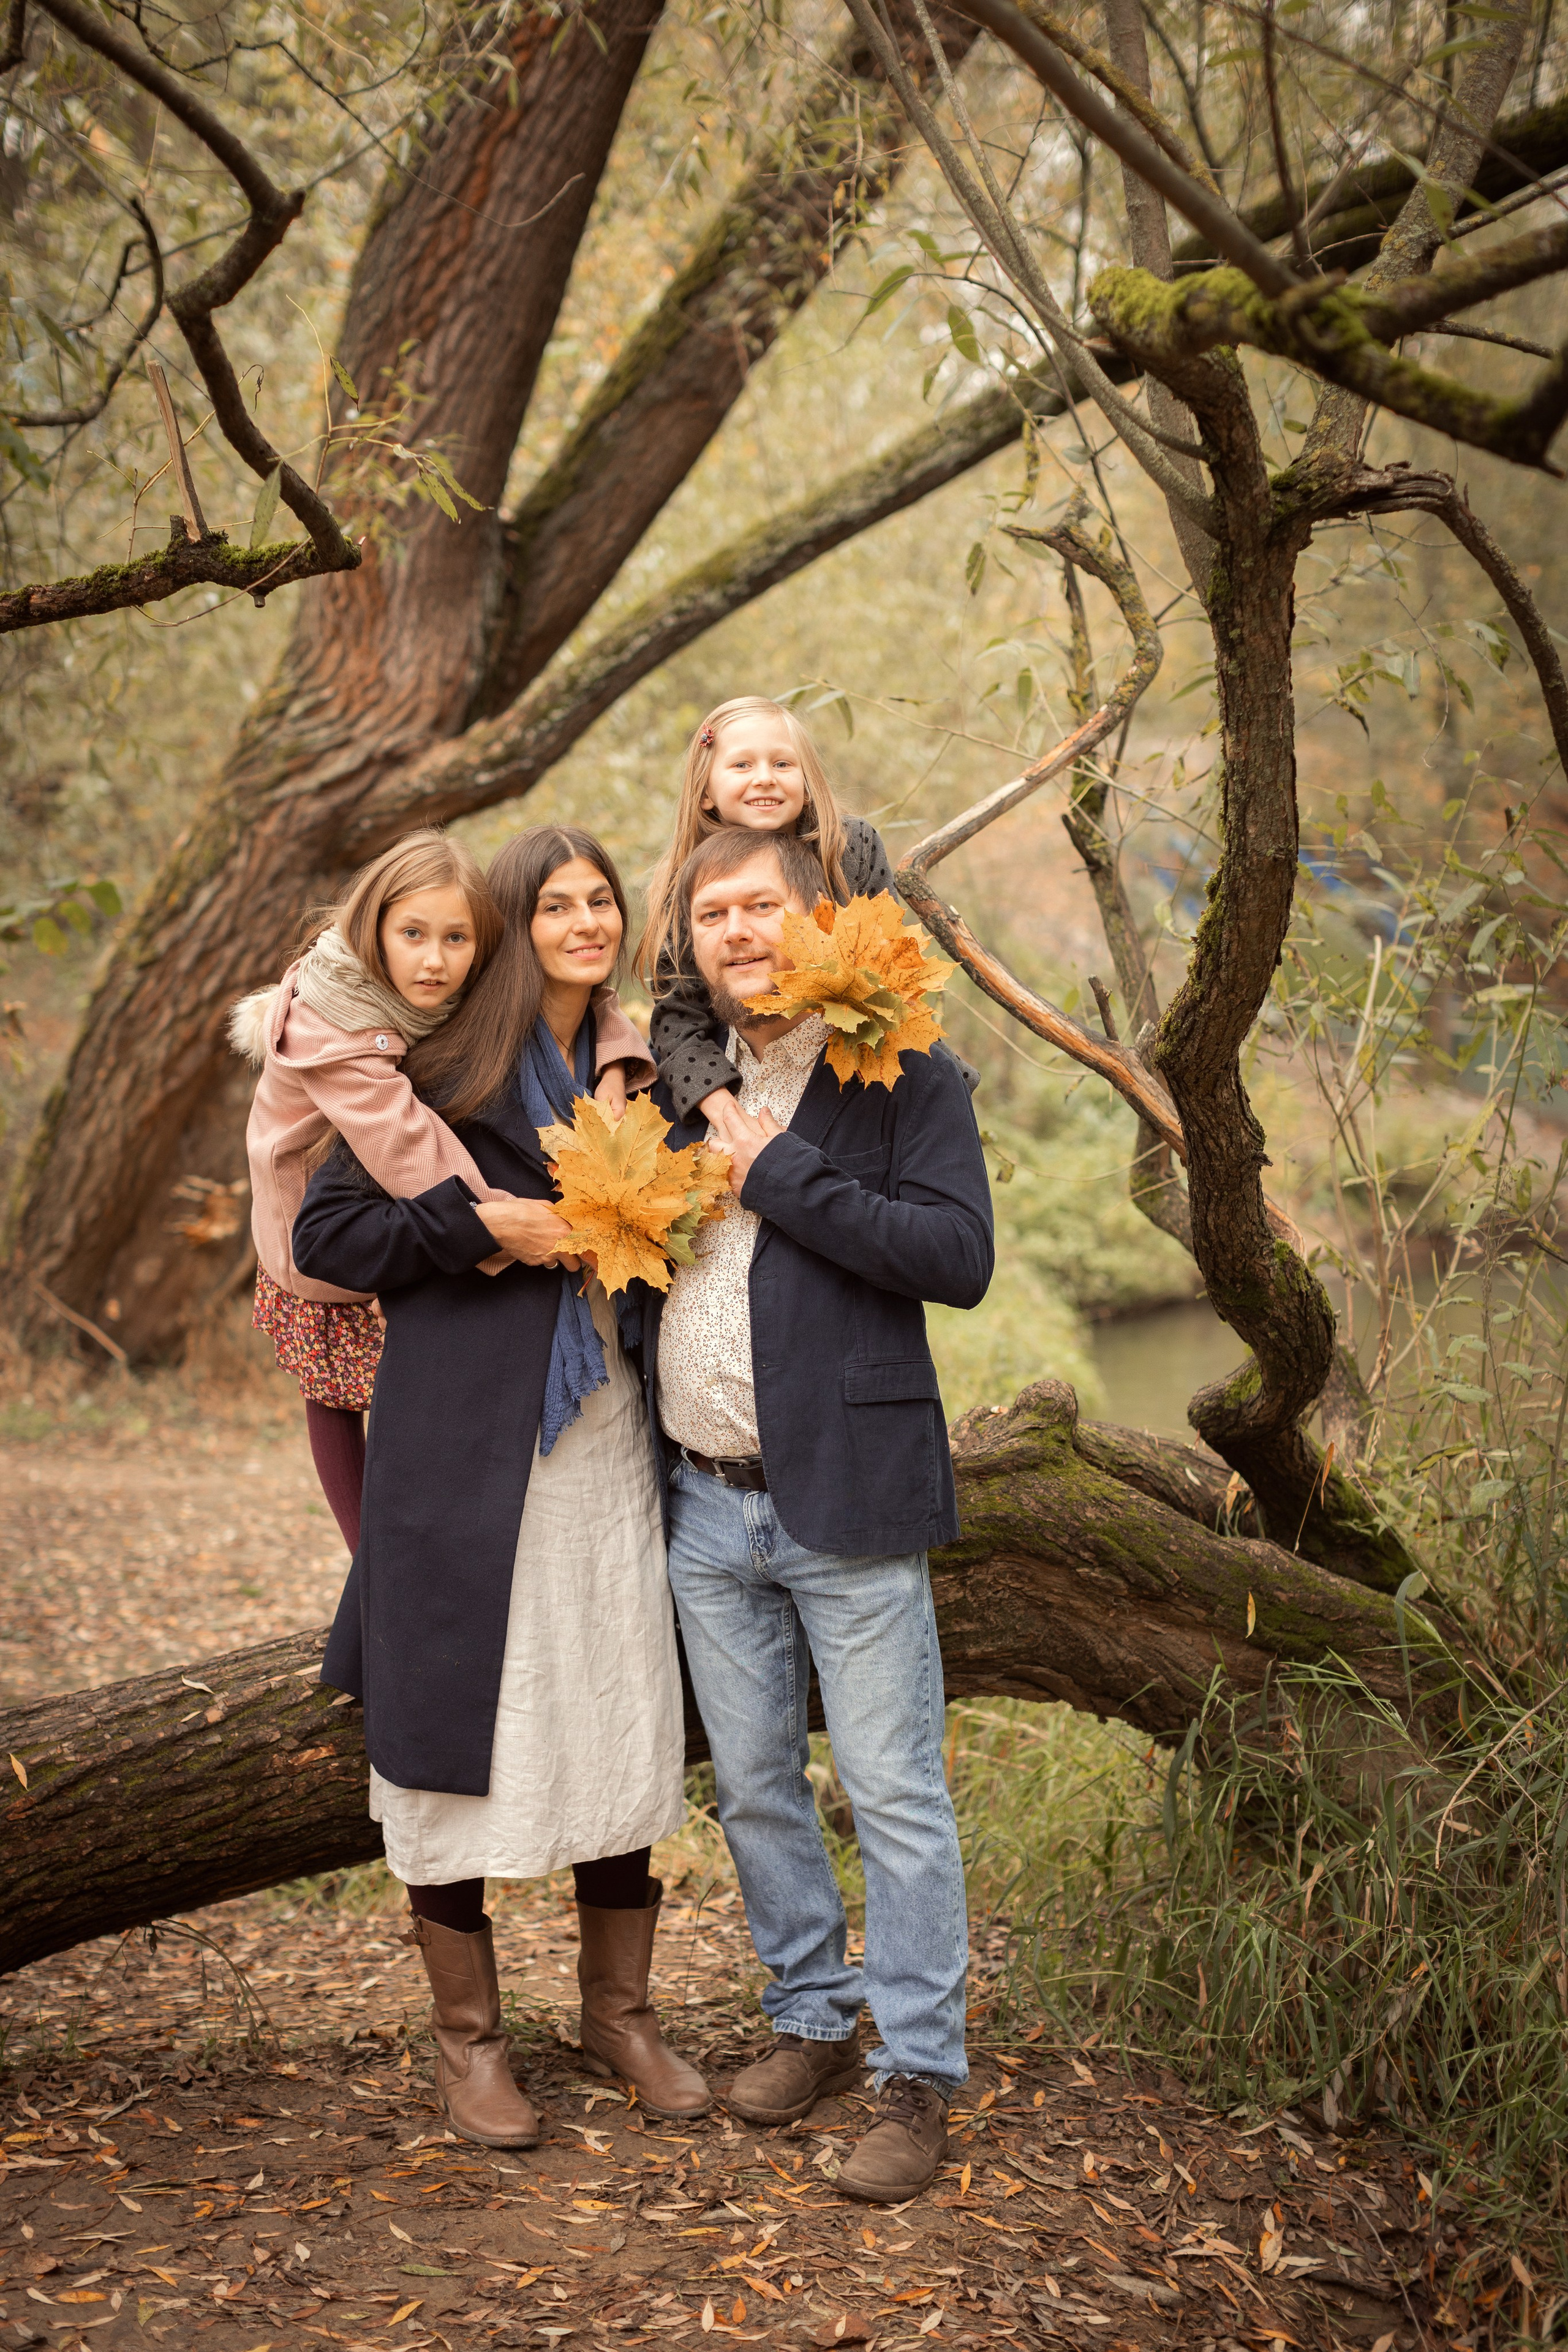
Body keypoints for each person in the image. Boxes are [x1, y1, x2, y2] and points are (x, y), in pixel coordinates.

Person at [290, 826, 708, 2150]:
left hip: (603, 1442)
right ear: (511, 927)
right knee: (458, 1726)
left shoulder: (634, 1064)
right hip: (462, 1448)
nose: (583, 920)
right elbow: (327, 1235)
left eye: (602, 900)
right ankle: (466, 2042)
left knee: (608, 1703)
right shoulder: (451, 1067)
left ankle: (616, 2014)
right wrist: (484, 1226)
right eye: (554, 903)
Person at [649, 825, 994, 2203]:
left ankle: (916, 2072)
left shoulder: (908, 1075)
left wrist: (775, 1172)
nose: (736, 930)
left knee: (895, 1794)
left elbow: (953, 1260)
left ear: (822, 921)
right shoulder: (682, 1082)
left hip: (845, 1499)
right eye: (711, 913)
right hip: (701, 1505)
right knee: (749, 1788)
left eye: (760, 906)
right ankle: (811, 2020)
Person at [232, 827, 650, 1553]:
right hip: (301, 1220)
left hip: (377, 1202)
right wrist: (494, 1223)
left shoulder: (440, 990)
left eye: (457, 938)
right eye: (414, 934)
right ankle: (370, 1560)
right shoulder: (334, 1025)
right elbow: (407, 1148)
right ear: (374, 930)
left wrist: (614, 1067)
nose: (435, 958)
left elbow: (592, 999)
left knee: (384, 1370)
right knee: (333, 1393)